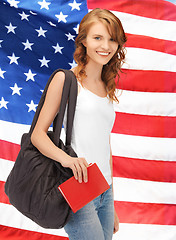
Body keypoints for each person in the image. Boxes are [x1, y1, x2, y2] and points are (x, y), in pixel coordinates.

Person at [31, 8, 127, 240]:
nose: (106, 46)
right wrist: (68, 160)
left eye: (112, 39)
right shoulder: (66, 79)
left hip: (104, 187)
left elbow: (105, 143)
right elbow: (37, 135)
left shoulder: (106, 85)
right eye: (97, 38)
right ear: (83, 40)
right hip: (78, 185)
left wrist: (111, 201)